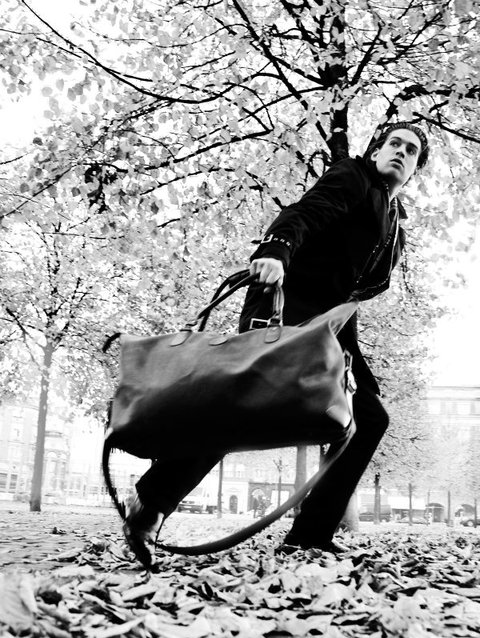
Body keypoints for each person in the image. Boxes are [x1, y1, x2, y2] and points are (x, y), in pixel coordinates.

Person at [123, 121, 429, 567]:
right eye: (393, 143)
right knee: (239, 405)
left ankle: (309, 536)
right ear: (376, 150)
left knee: (368, 418)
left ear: (417, 167)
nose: (400, 151)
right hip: (286, 302)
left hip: (333, 323)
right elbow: (309, 210)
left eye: (411, 150)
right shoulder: (354, 175)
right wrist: (276, 248)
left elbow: (360, 285)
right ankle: (151, 501)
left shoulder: (395, 223)